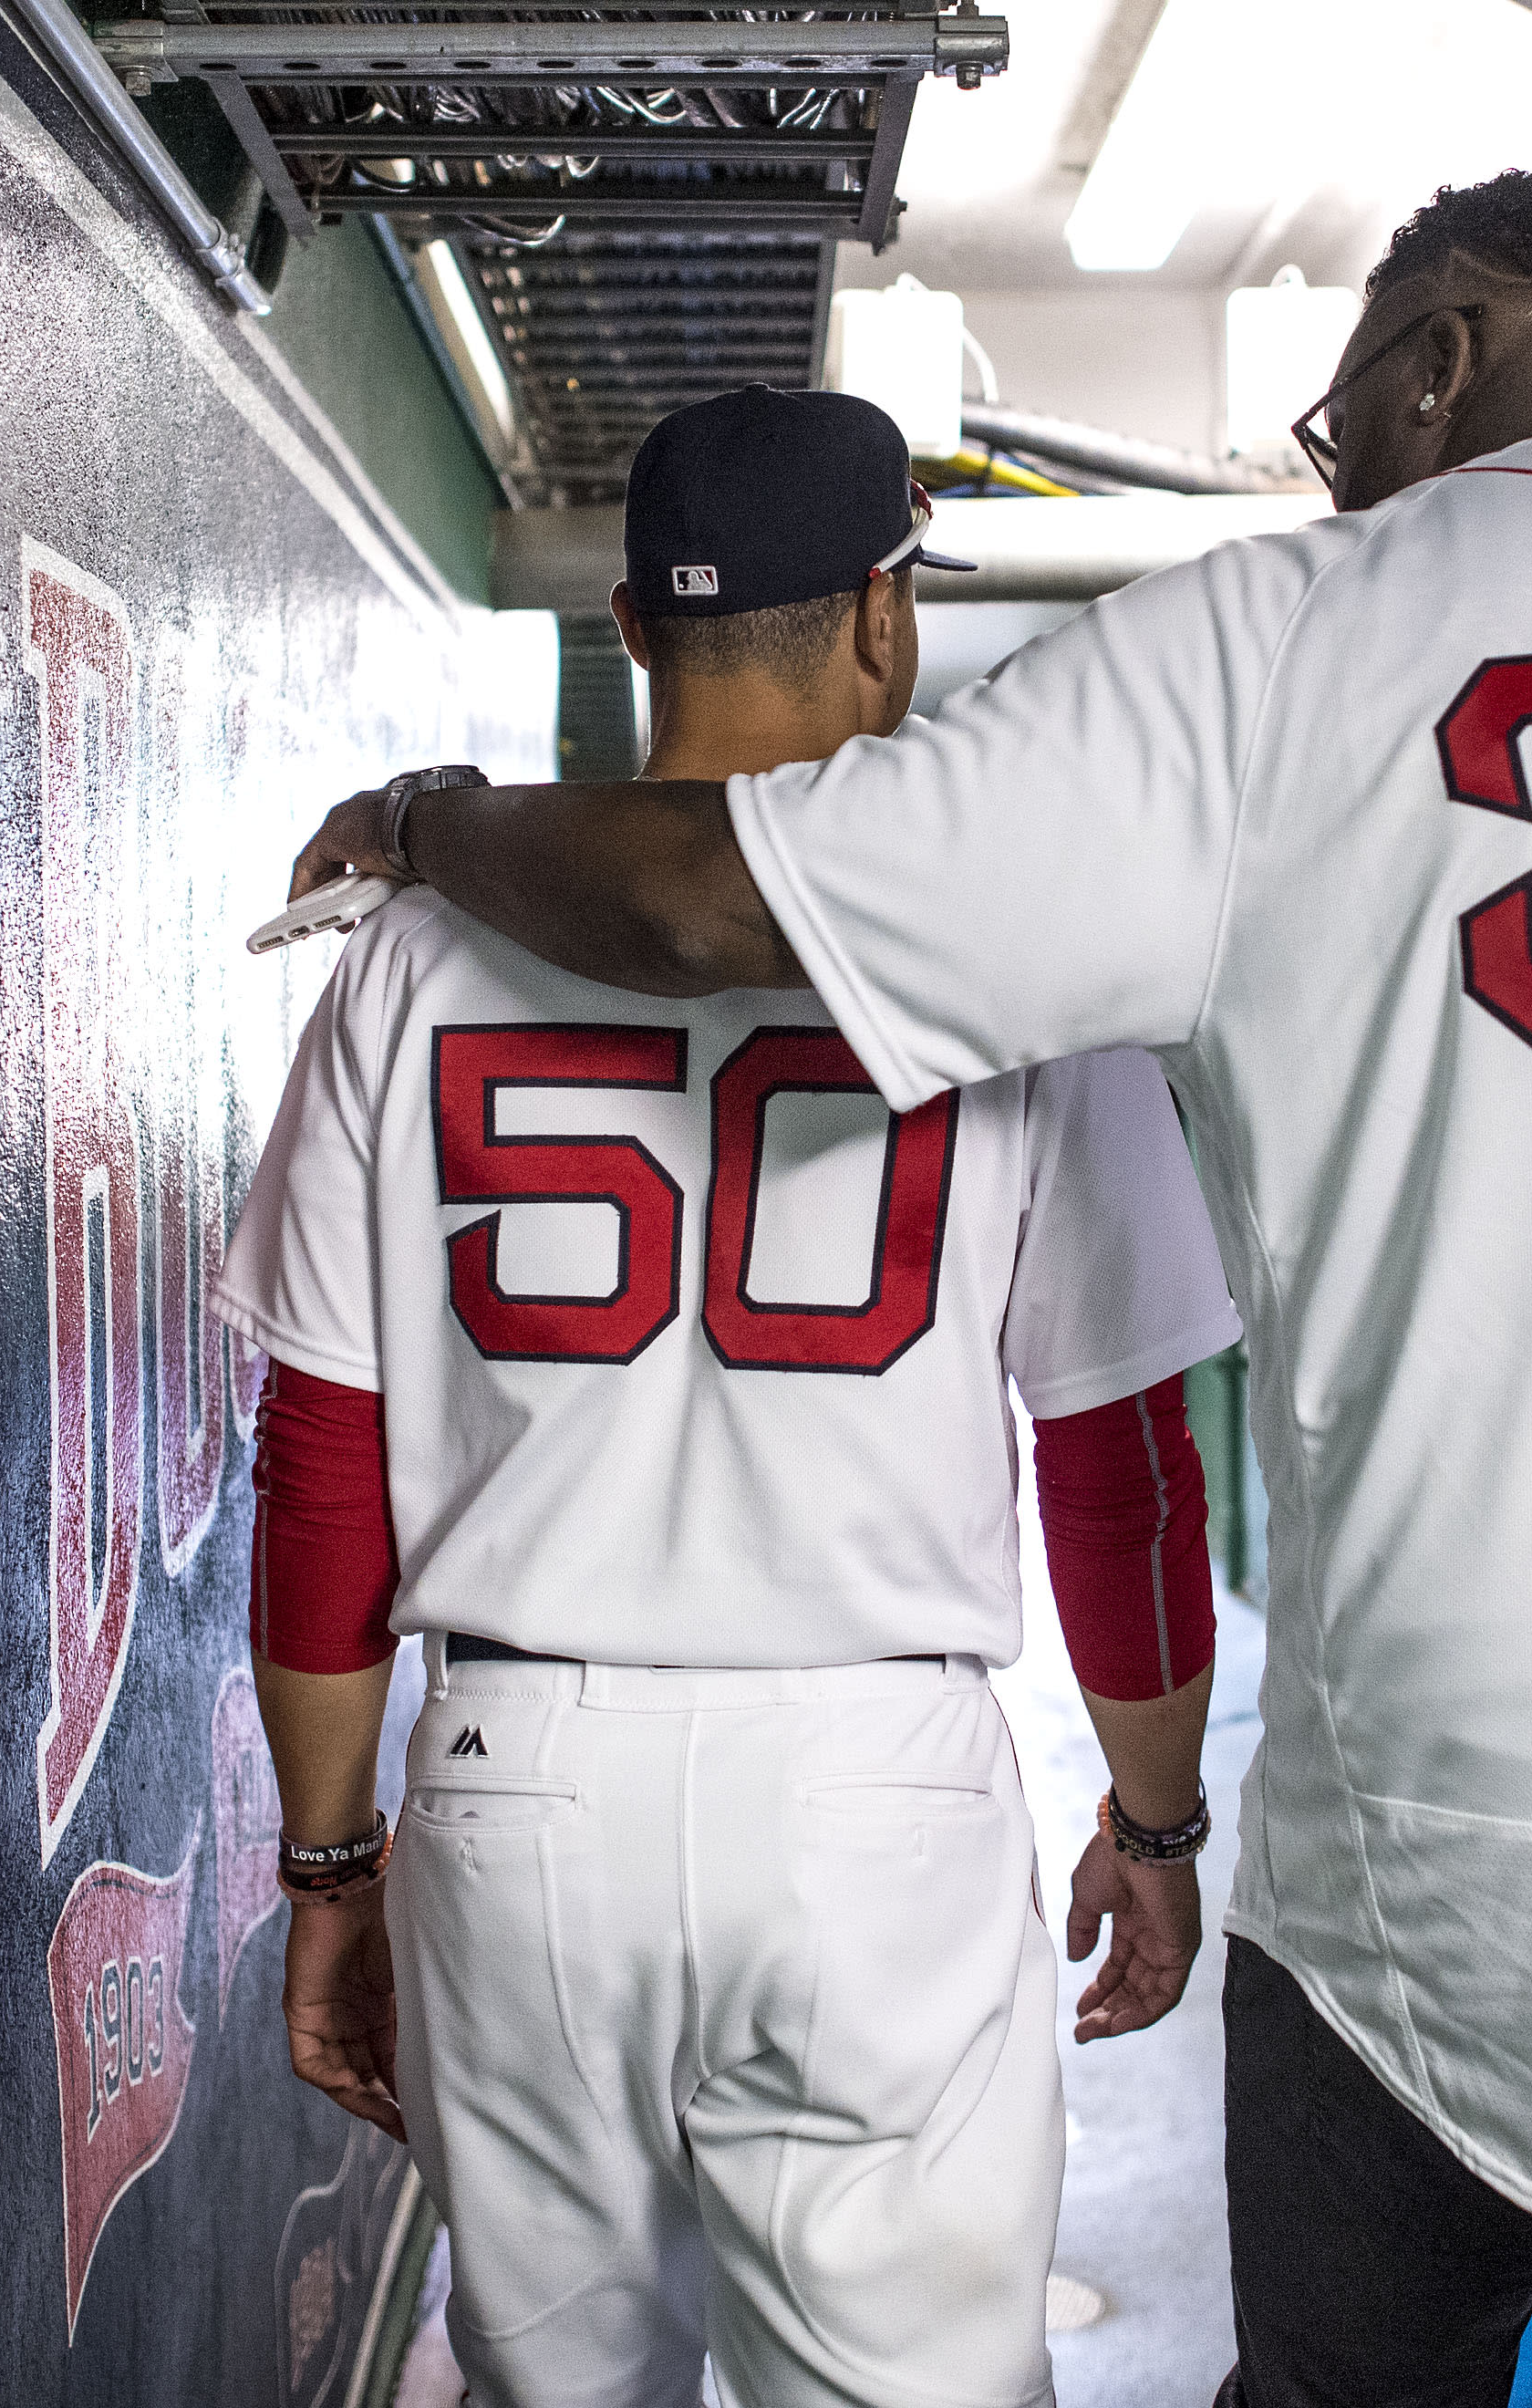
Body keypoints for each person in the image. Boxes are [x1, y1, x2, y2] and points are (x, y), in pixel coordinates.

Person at [283, 174, 1532, 2408]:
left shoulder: (1281, 645)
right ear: (882, 617)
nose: (1330, 461)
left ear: (1445, 351)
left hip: (1416, 1838)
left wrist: (424, 821)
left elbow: (702, 918)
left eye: (1340, 408)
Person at [216, 385, 1245, 2408]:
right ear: (887, 618)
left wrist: (332, 1870)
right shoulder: (1022, 957)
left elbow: (319, 1477)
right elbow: (1116, 1476)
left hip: (518, 1786)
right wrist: (1153, 1813)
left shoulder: (407, 954)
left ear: (627, 629)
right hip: (872, 1790)